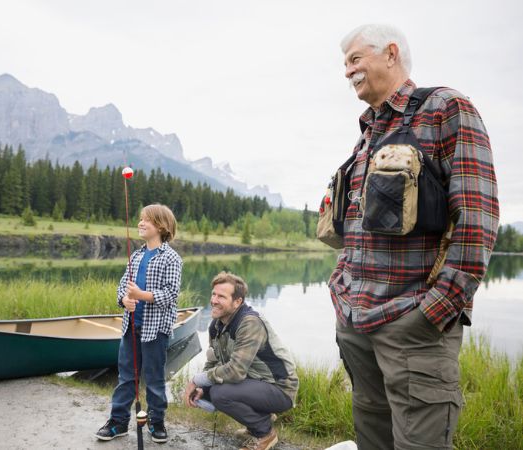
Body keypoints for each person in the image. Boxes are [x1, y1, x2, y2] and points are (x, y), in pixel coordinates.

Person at [330, 24, 499, 449]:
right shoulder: (367, 136)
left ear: (390, 53)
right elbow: (353, 231)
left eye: (354, 59)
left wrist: (432, 313)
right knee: (372, 440)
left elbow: (476, 222)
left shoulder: (446, 108)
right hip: (356, 323)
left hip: (412, 325)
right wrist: (341, 290)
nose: (346, 70)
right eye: (344, 63)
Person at [95, 204, 183, 444]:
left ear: (161, 226)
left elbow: (171, 294)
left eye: (146, 220)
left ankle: (157, 422)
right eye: (139, 220)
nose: (140, 223)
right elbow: (123, 287)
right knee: (126, 378)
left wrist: (142, 295)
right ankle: (118, 422)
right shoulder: (135, 256)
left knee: (154, 379)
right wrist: (125, 300)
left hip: (156, 331)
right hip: (131, 329)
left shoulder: (172, 258)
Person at [184, 272, 299, 450]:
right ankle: (259, 421)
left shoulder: (249, 323)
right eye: (213, 294)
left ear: (237, 302)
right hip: (255, 382)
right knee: (208, 390)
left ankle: (265, 433)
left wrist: (196, 380)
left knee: (221, 394)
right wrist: (201, 388)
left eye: (221, 296)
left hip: (280, 388)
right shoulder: (216, 324)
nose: (214, 300)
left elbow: (235, 371)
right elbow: (213, 361)